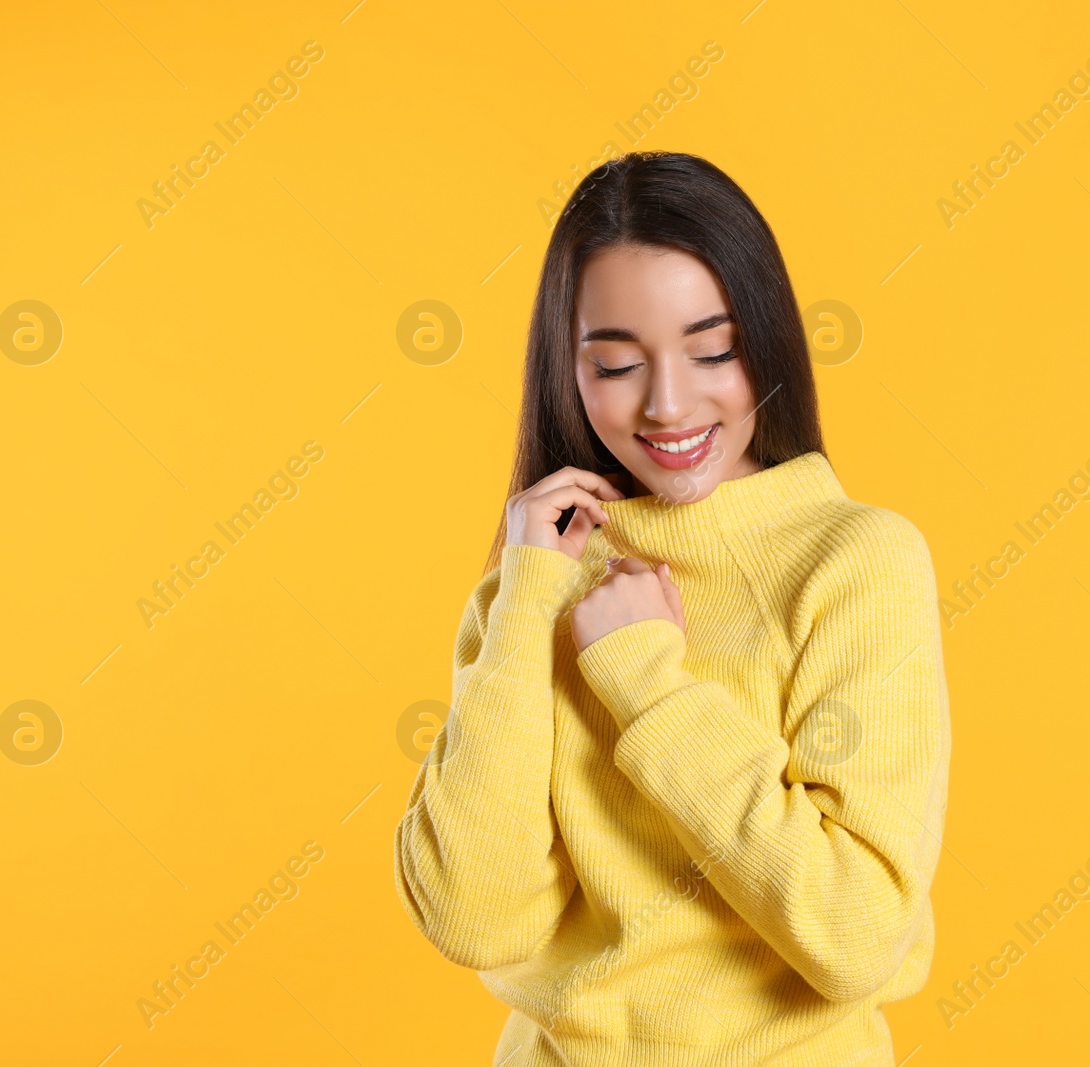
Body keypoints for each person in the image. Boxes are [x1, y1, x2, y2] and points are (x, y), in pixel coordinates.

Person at [393, 150, 951, 1066]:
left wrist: (648, 683)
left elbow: (855, 933)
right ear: (565, 370)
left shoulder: (855, 563)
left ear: (765, 343)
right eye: (616, 363)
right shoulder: (536, 575)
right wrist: (528, 597)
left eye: (713, 350)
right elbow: (473, 916)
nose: (669, 402)